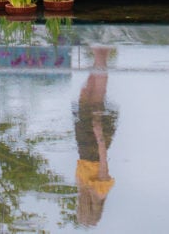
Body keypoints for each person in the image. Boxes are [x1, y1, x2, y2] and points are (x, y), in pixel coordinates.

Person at [73, 46, 118, 226]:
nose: (78, 210)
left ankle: (101, 55)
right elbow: (103, 163)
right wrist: (99, 134)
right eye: (81, 213)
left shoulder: (81, 188)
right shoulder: (99, 192)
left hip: (83, 143)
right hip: (93, 145)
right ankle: (100, 55)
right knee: (97, 96)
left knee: (86, 93)